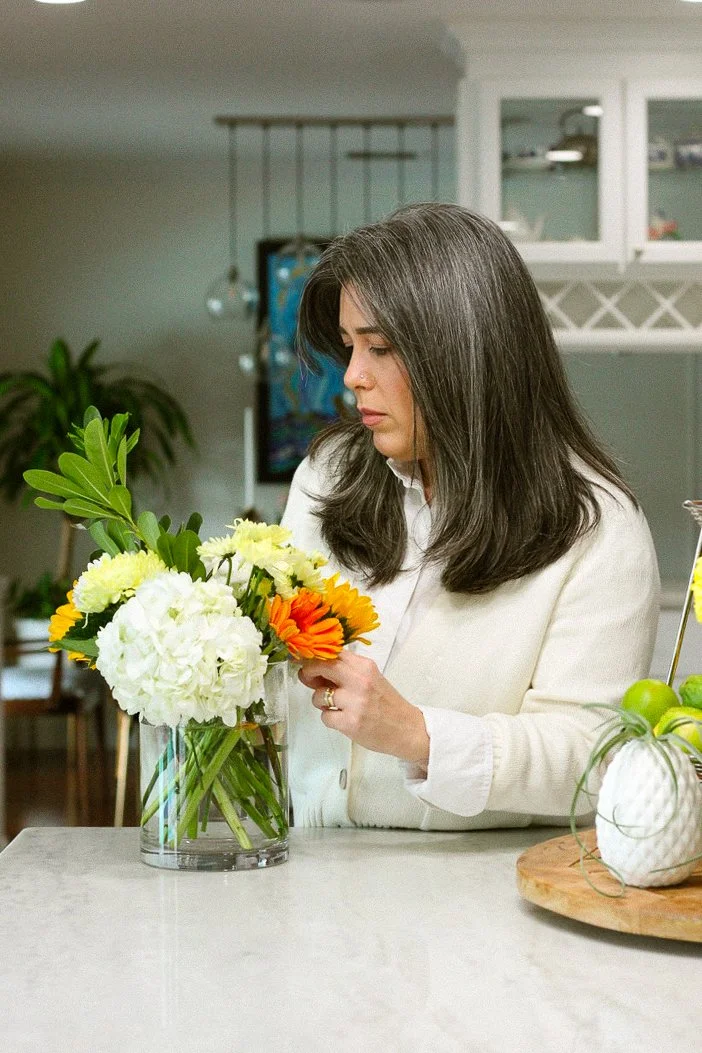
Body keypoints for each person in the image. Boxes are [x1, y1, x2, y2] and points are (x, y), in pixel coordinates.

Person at [281, 202, 660, 830]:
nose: (352, 376)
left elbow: (596, 757)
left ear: (463, 355)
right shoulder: (328, 474)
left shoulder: (596, 525)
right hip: (311, 870)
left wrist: (418, 735)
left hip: (489, 894)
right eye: (350, 346)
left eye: (378, 348)